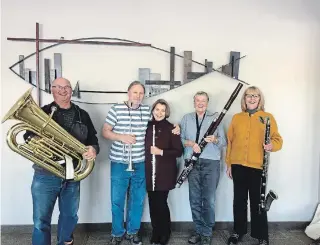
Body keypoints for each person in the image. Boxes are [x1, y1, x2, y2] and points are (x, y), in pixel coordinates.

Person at [102, 81, 180, 245]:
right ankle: (117, 233)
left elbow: (161, 121)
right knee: (117, 201)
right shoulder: (116, 109)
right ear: (128, 92)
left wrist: (176, 127)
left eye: (141, 93)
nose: (137, 96)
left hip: (140, 164)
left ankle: (133, 232)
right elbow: (105, 131)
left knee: (137, 201)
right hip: (119, 163)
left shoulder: (146, 111)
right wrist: (121, 137)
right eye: (134, 92)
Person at [25, 77, 99, 245]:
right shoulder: (42, 112)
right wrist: (37, 137)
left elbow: (93, 140)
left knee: (70, 216)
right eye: (58, 87)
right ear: (52, 90)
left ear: (71, 90)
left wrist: (93, 149)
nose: (63, 90)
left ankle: (64, 242)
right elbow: (26, 134)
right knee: (40, 220)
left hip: (73, 175)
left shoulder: (83, 115)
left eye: (66, 87)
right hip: (45, 175)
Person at [225, 86, 283, 245]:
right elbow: (230, 141)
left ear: (260, 99)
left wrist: (272, 145)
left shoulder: (267, 117)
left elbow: (277, 139)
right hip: (238, 165)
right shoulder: (237, 117)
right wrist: (229, 163)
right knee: (239, 201)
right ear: (244, 99)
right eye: (248, 96)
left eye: (255, 96)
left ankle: (262, 236)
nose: (252, 98)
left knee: (258, 203)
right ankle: (238, 232)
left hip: (257, 167)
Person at [180, 91, 227, 245]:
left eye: (203, 101)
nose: (200, 103)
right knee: (194, 199)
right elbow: (179, 140)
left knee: (209, 200)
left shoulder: (216, 119)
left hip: (211, 163)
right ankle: (198, 230)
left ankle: (207, 232)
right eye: (197, 100)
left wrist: (214, 139)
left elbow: (223, 143)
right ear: (194, 102)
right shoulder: (186, 118)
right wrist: (191, 144)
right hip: (192, 162)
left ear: (207, 102)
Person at [144, 99, 183, 245]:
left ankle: (165, 232)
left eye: (162, 110)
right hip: (149, 171)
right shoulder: (146, 126)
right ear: (153, 110)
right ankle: (156, 232)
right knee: (153, 203)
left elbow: (178, 152)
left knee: (161, 203)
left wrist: (160, 152)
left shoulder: (172, 128)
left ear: (166, 112)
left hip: (164, 173)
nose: (159, 113)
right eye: (157, 109)